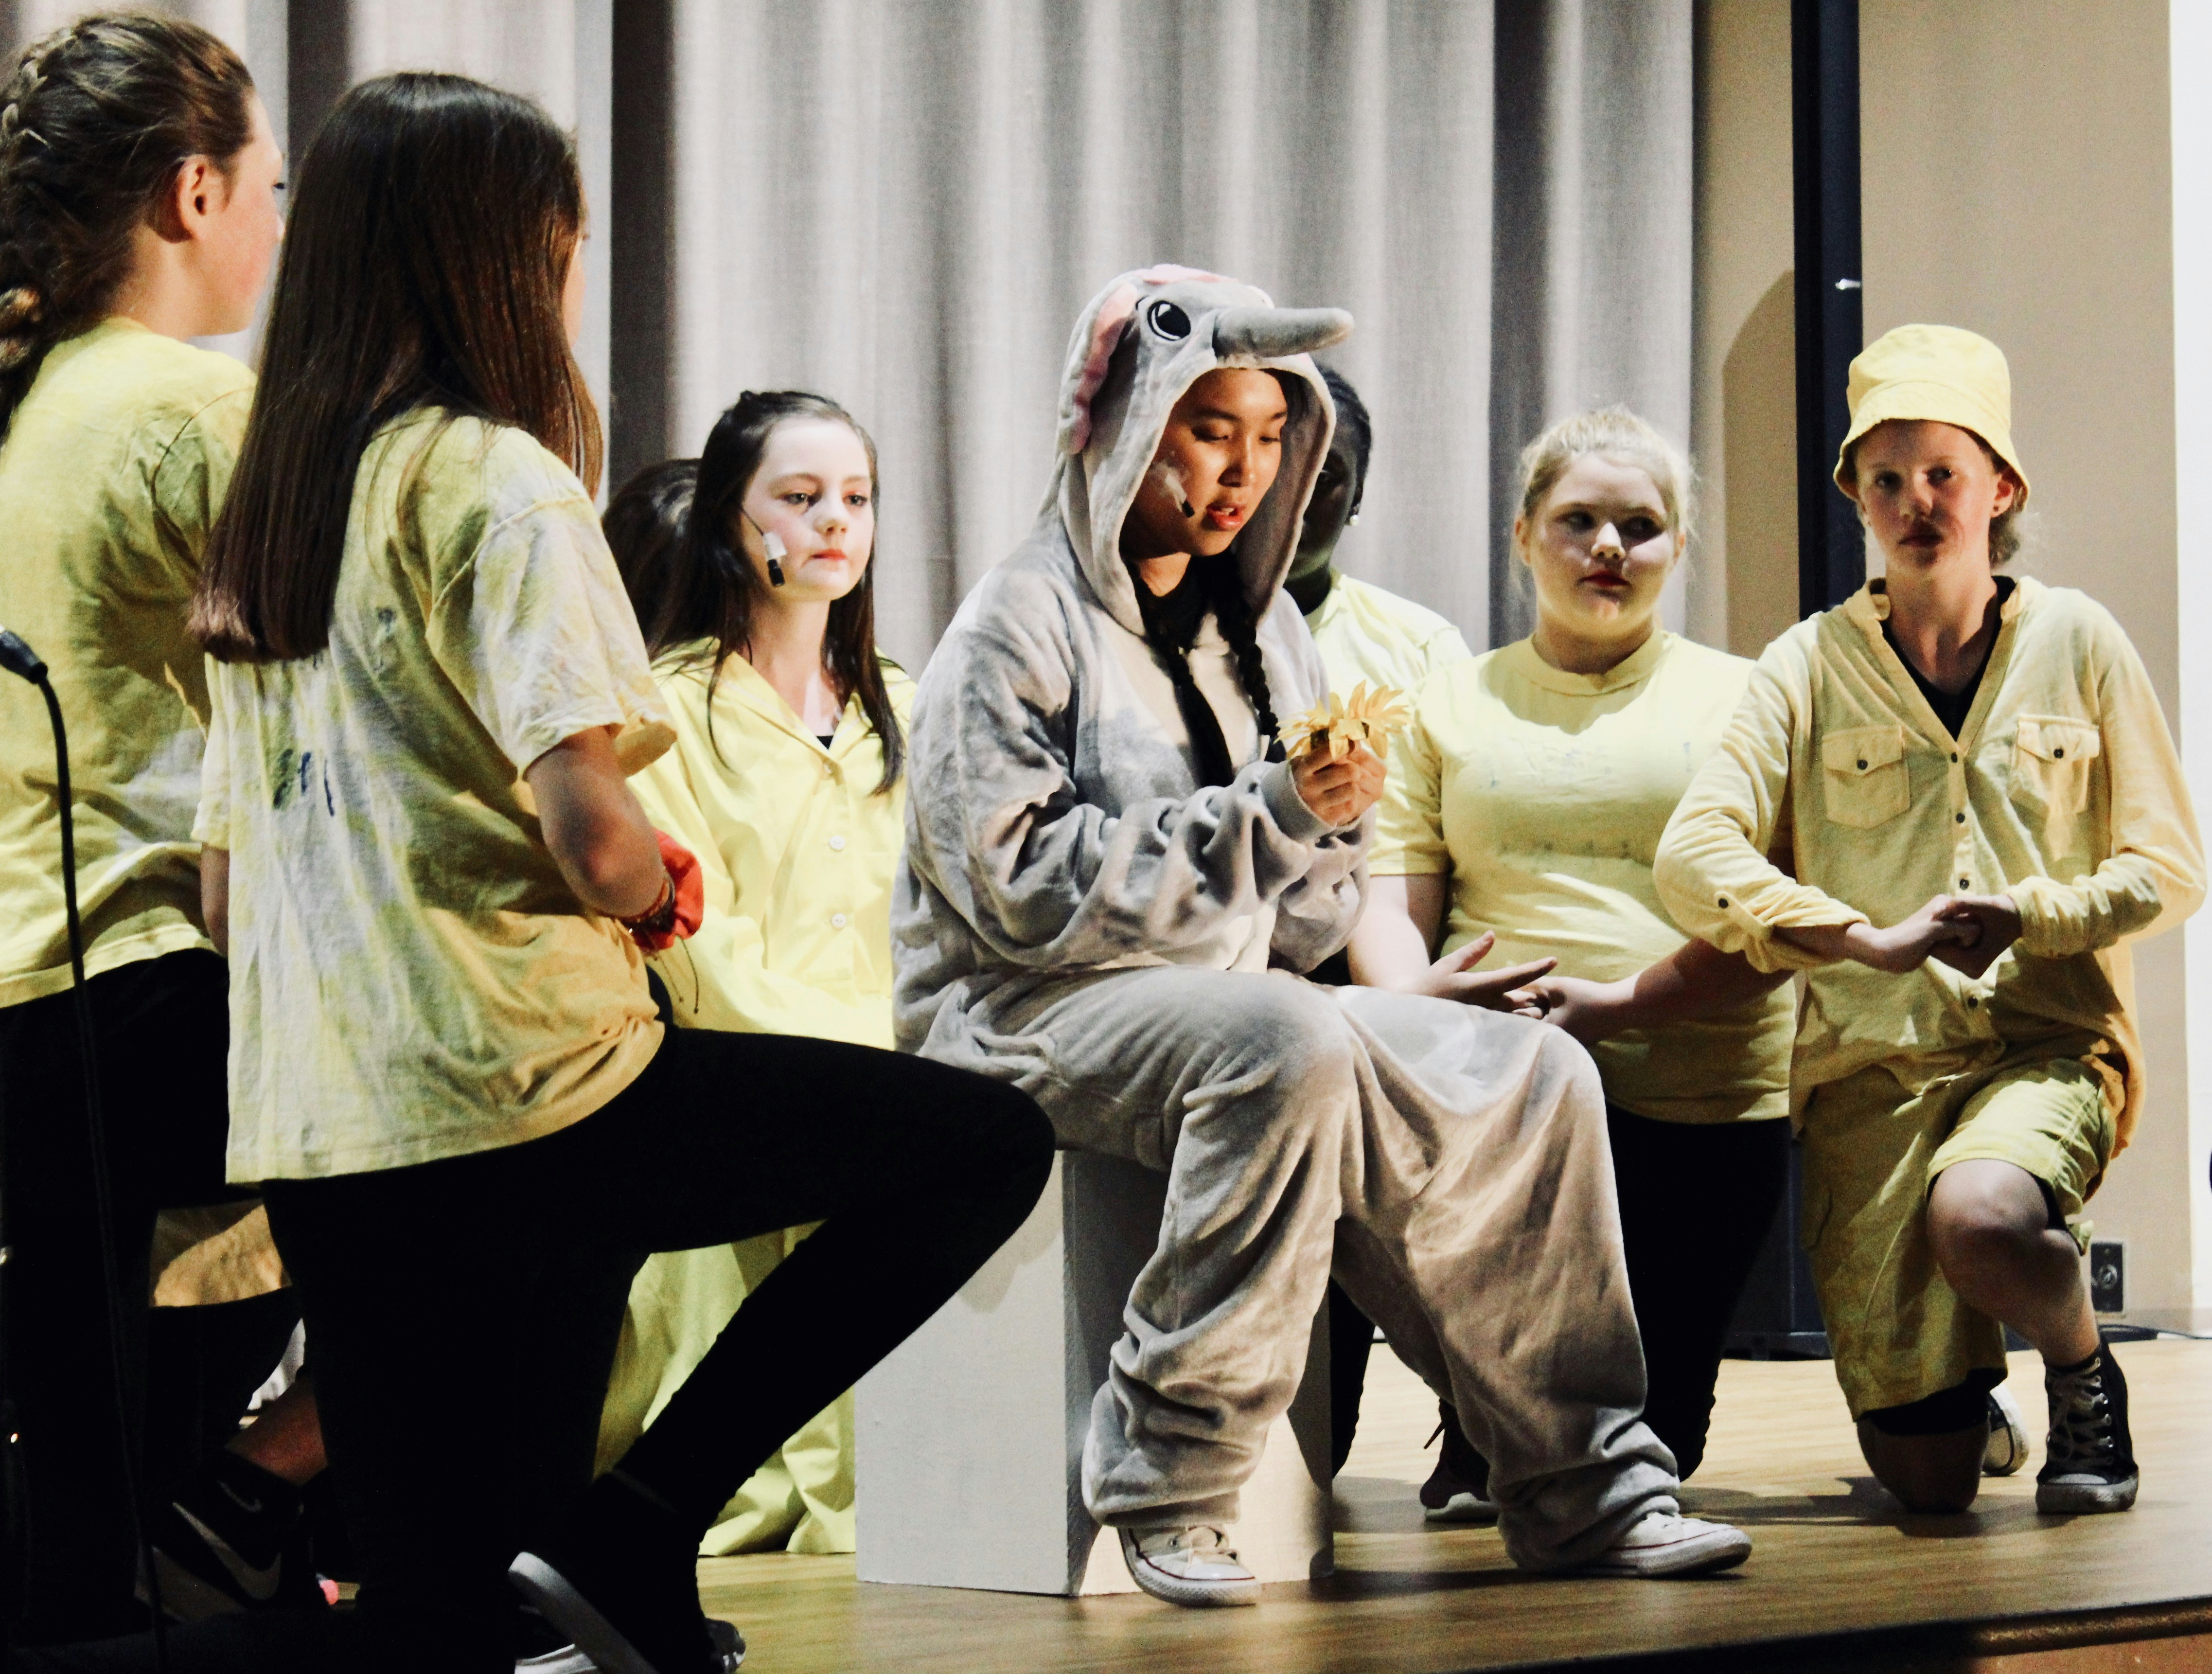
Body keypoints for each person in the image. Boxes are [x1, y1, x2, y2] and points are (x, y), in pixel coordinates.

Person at [8, 71, 1056, 1674]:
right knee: (982, 1145)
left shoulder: (280, 507)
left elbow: (228, 890)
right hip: (520, 1086)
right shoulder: (491, 479)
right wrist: (655, 894)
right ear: (509, 262)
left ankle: (592, 1569)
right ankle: (649, 1514)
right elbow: (593, 829)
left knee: (443, 1621)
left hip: (328, 1127)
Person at [894, 265, 1750, 1610]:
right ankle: (1168, 1471)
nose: (1237, 472)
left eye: (1264, 437)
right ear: (1125, 424)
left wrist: (1329, 852)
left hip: (1225, 1004)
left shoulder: (1270, 633)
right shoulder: (1015, 620)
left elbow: (1300, 910)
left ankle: (1577, 1479)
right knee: (1282, 1039)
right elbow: (1018, 892)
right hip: (1015, 1011)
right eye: (1204, 430)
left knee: (1532, 1072)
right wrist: (1266, 817)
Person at [1654, 324, 2203, 1516]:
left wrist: (2035, 912)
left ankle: (2079, 1368)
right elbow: (1692, 854)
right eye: (1886, 478)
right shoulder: (1803, 665)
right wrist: (1854, 934)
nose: (1915, 503)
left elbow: (2170, 865)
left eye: (1942, 473)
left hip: (2044, 1048)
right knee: (1925, 1486)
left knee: (1985, 1212)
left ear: (1999, 487)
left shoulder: (2078, 641)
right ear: (1855, 491)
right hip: (1872, 1076)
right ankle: (1972, 1409)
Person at [0, 13, 321, 1641]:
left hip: (26, 998)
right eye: (270, 181)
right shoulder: (186, 412)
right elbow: (327, 700)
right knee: (477, 1188)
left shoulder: (29, 401)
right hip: (138, 982)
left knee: (77, 1454)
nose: (280, 217)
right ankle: (260, 1491)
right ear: (195, 194)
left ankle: (208, 1519)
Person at [1351, 407, 1798, 1500]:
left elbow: (1772, 920)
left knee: (1659, 1444)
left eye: (1639, 526)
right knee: (1532, 1438)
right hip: (1497, 1094)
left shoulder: (1751, 696)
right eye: (1578, 521)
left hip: (1700, 1096)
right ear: (1522, 536)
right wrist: (1412, 998)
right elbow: (1387, 887)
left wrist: (1619, 1006)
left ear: (1677, 548)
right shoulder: (1445, 701)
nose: (1608, 547)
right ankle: (1490, 1411)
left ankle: (1528, 1424)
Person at [596, 392, 909, 1559]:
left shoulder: (907, 713)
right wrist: (871, 1073)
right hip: (747, 1092)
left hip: (898, 1082)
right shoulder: (662, 713)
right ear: (735, 518)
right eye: (800, 495)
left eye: (857, 498)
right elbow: (694, 949)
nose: (835, 521)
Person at [1278, 366, 1481, 1507]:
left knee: (1324, 1430)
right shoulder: (1156, 627)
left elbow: (1457, 843)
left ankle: (1482, 1407)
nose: (1302, 496)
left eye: (1331, 475)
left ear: (1359, 492)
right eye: (1282, 464)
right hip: (1210, 1005)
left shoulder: (1417, 646)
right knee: (1291, 1443)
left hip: (1379, 1005)